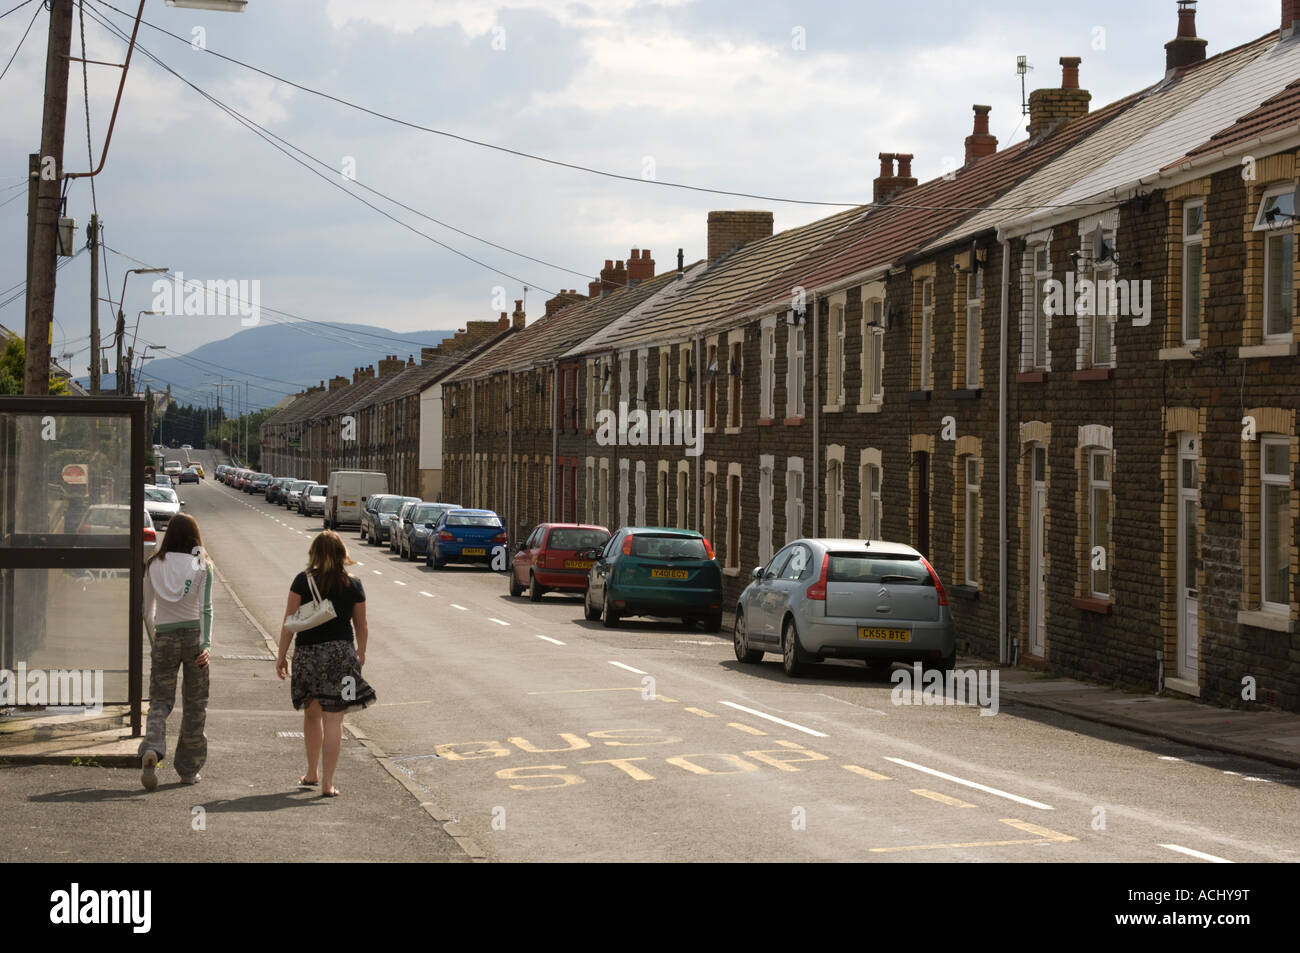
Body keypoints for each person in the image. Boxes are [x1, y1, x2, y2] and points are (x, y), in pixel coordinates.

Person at [276, 530, 375, 797]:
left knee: (312, 714)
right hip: (342, 657)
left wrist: (281, 654)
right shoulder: (353, 585)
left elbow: (290, 621)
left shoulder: (301, 581)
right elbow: (361, 624)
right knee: (335, 719)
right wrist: (360, 653)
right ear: (343, 554)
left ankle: (311, 772)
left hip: (308, 656)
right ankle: (328, 784)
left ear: (315, 554)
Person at [139, 513, 213, 790]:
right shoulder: (201, 565)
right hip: (195, 639)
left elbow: (146, 611)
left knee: (159, 700)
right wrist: (206, 645)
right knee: (195, 705)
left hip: (165, 637)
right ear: (195, 537)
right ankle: (188, 770)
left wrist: (155, 640)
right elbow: (206, 608)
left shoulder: (153, 564)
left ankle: (152, 748)